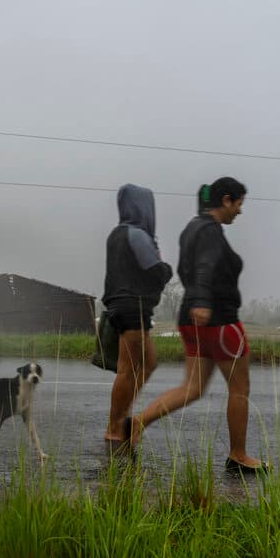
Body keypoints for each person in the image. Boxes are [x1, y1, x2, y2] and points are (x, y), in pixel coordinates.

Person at [128, 177, 269, 473]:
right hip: (219, 320)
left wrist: (197, 301)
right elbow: (205, 265)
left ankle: (138, 423)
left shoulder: (192, 228)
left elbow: (188, 269)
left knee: (192, 387)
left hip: (190, 320)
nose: (240, 211)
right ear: (226, 200)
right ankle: (238, 455)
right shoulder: (210, 232)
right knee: (240, 388)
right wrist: (203, 300)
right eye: (239, 203)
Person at [102, 183, 173, 450]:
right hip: (132, 306)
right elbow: (155, 271)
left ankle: (122, 418)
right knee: (128, 369)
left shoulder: (117, 233)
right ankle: (115, 427)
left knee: (148, 363)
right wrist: (167, 268)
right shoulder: (138, 234)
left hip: (125, 305)